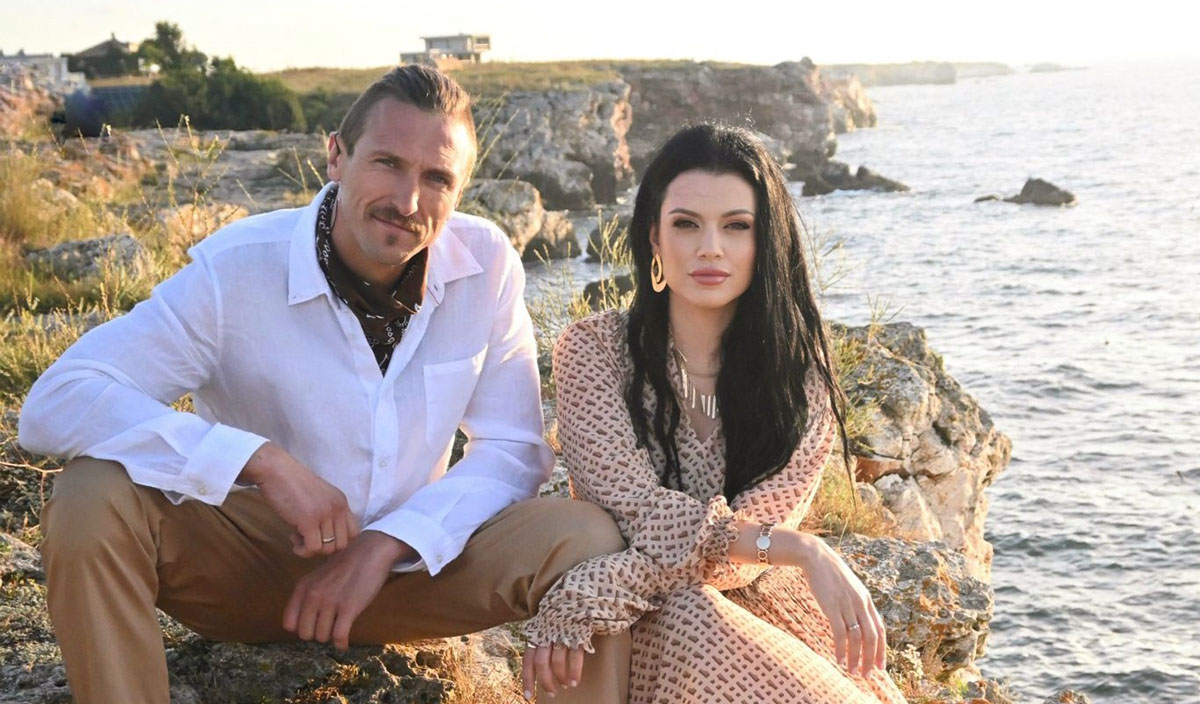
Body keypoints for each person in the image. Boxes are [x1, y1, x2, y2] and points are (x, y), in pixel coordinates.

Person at [17, 65, 630, 704]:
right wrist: (259, 461)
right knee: (89, 496)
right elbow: (59, 400)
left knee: (589, 542)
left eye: (437, 179)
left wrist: (386, 543)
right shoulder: (236, 270)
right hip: (246, 571)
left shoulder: (488, 264)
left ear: (459, 190)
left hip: (410, 574)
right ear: (336, 156)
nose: (408, 201)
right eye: (388, 163)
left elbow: (513, 450)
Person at [518, 124, 907, 703]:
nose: (710, 248)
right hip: (643, 622)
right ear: (654, 235)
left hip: (758, 610)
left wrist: (593, 587)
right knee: (696, 613)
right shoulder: (594, 351)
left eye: (736, 226)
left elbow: (744, 557)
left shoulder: (799, 373)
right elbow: (633, 512)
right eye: (686, 224)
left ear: (766, 240)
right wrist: (801, 549)